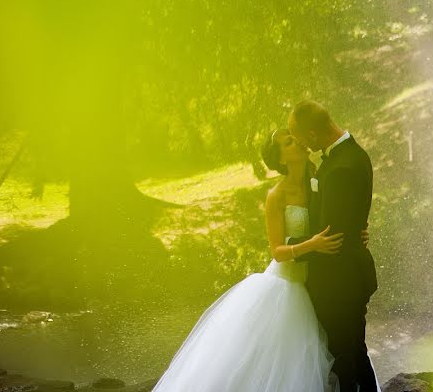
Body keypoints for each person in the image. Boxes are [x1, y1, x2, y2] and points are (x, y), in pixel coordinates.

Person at [151, 128, 346, 391]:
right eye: (289, 143)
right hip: (288, 285)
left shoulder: (318, 179)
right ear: (282, 159)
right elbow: (276, 250)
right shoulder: (276, 196)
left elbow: (335, 219)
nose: (298, 142)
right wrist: (312, 245)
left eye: (294, 138)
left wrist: (357, 232)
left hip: (320, 280)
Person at [287, 100, 380, 392]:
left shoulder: (340, 167)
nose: (301, 145)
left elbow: (331, 236)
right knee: (355, 350)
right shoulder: (355, 154)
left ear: (313, 135)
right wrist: (356, 233)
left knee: (343, 358)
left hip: (339, 281)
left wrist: (289, 245)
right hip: (352, 273)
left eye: (300, 137)